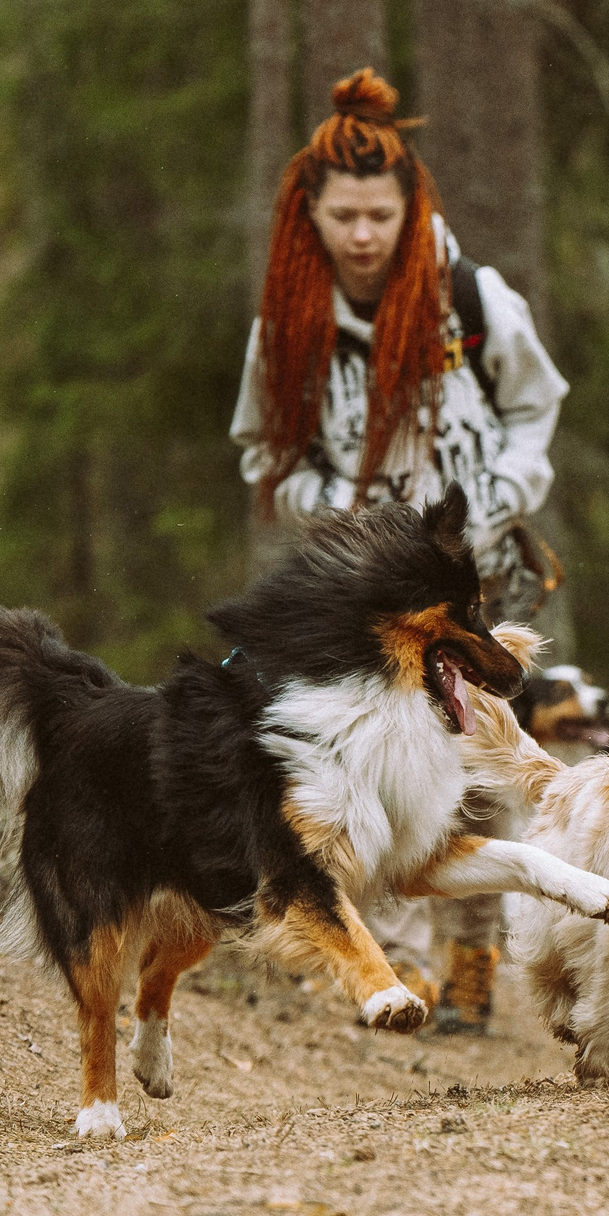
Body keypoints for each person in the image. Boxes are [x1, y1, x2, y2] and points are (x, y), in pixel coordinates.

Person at [230, 66, 569, 1032]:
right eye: (343, 216)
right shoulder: (288, 327)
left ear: (410, 208)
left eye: (380, 215)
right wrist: (336, 511)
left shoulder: (472, 299)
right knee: (376, 760)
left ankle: (475, 961)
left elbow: (536, 407)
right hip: (368, 603)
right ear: (310, 215)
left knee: (485, 755)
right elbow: (264, 450)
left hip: (481, 573)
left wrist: (501, 496)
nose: (363, 235)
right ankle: (397, 961)